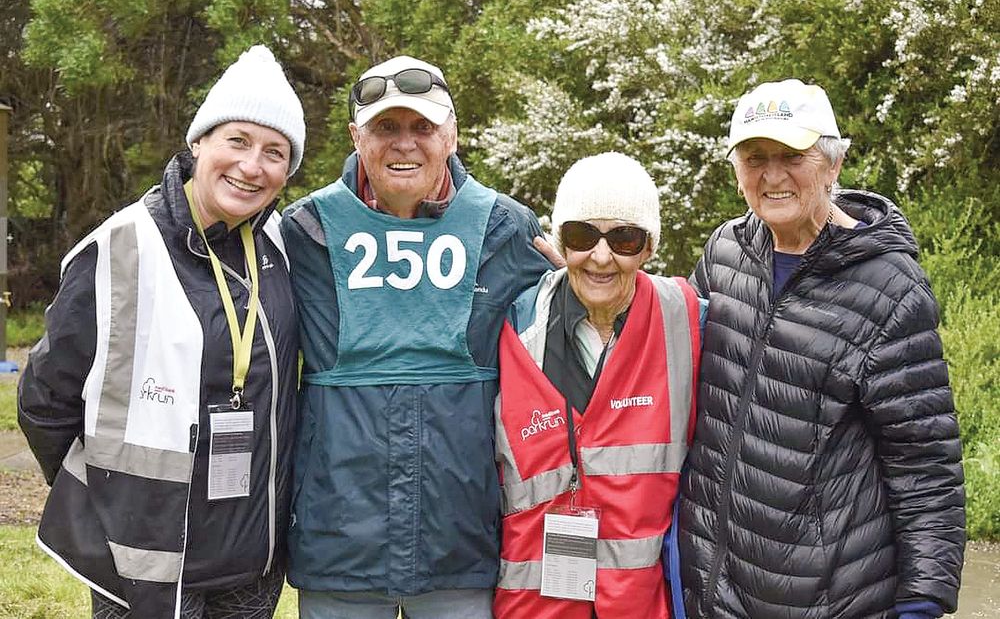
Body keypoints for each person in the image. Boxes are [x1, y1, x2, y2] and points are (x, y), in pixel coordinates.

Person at [18, 45, 305, 618]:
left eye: (275, 153)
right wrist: (101, 502)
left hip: (252, 560)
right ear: (199, 142)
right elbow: (44, 399)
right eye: (238, 141)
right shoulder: (121, 245)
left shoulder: (284, 246)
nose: (253, 166)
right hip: (145, 559)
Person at [677, 79, 965, 619]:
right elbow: (672, 365)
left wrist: (923, 601)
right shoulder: (724, 253)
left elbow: (925, 464)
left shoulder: (890, 289)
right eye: (755, 157)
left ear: (832, 164)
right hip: (712, 591)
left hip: (830, 600)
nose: (773, 175)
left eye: (792, 156)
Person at [281, 55, 553, 619]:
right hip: (340, 546)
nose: (404, 144)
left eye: (421, 127)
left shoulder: (506, 230)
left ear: (451, 135)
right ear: (357, 137)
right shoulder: (304, 233)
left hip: (462, 540)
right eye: (385, 128)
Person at [492, 152, 704, 619]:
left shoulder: (689, 323)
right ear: (561, 242)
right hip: (529, 608)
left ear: (648, 248)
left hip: (641, 607)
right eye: (583, 235)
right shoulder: (513, 323)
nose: (601, 256)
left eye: (624, 237)